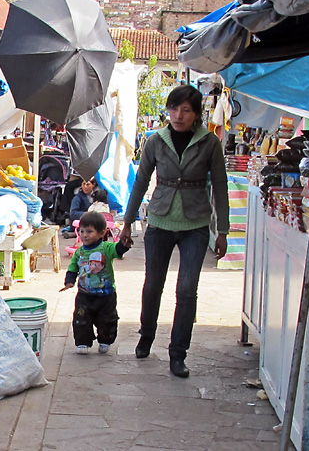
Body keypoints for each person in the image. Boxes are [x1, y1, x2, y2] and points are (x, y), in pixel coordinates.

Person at [119, 84, 229, 378]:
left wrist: (223, 231)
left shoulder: (209, 143)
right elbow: (141, 181)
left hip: (195, 224)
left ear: (196, 114)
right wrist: (127, 222)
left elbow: (220, 185)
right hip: (159, 220)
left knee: (186, 290)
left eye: (186, 110)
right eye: (174, 108)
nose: (178, 115)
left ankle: (178, 354)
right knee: (153, 285)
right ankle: (146, 336)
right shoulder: (156, 141)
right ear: (167, 111)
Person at [61, 212, 129, 354]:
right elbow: (73, 268)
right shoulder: (79, 252)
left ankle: (105, 340)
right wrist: (69, 282)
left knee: (107, 320)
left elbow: (118, 250)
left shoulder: (107, 248)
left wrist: (124, 244)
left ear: (101, 233)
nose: (84, 235)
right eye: (82, 231)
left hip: (106, 296)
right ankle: (82, 342)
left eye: (89, 231)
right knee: (81, 319)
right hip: (84, 296)